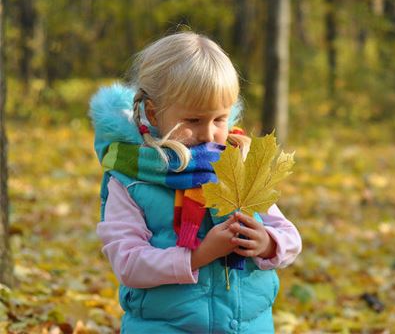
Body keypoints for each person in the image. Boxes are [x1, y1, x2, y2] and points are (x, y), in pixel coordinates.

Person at [89, 32, 302, 333]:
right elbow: (128, 262)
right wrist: (200, 255)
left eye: (220, 119)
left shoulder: (237, 164)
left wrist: (267, 243)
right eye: (193, 121)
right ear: (154, 112)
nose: (209, 134)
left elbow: (289, 236)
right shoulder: (129, 177)